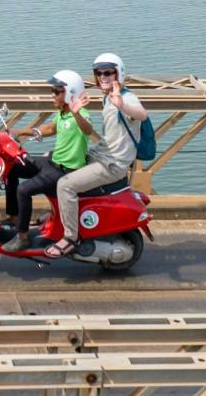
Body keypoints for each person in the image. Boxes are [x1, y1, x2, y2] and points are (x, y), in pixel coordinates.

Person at [49, 52, 146, 259]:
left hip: (112, 165)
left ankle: (70, 238)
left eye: (108, 72)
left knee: (65, 185)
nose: (103, 76)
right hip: (101, 155)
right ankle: (60, 217)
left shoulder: (126, 97)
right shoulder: (107, 97)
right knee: (56, 163)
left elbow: (142, 114)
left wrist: (122, 105)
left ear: (118, 74)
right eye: (98, 73)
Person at [0, 70, 98, 252]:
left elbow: (87, 129)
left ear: (69, 93)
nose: (52, 95)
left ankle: (22, 238)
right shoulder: (62, 112)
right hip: (52, 161)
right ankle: (14, 218)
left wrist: (77, 113)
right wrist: (20, 132)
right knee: (12, 167)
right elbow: (51, 128)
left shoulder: (80, 114)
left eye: (56, 91)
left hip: (65, 170)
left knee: (24, 190)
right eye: (52, 91)